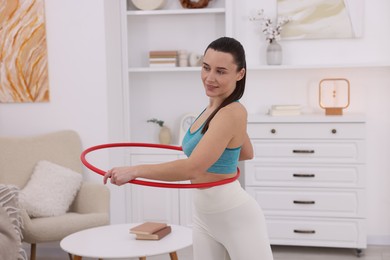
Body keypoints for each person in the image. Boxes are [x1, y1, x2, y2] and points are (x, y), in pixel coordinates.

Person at [104, 36, 273, 260]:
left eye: (221, 71)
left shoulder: (232, 112)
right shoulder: (212, 107)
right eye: (206, 67)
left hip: (235, 215)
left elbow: (193, 168)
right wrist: (226, 142)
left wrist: (135, 170)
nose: (209, 78)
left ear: (240, 74)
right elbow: (245, 152)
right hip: (204, 215)